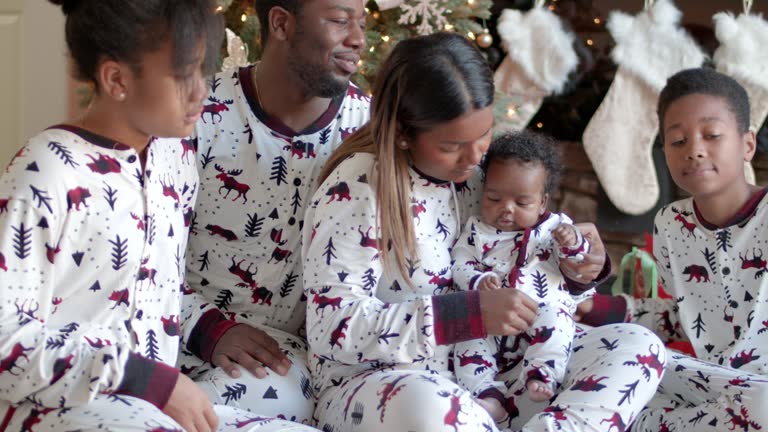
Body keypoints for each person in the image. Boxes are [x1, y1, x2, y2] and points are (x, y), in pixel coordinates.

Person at [302, 31, 665, 432]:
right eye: (453, 145)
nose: (476, 157)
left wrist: (581, 270)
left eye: (485, 134)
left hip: (495, 372)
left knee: (640, 347)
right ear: (405, 133)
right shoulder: (357, 190)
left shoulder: (481, 177)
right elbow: (332, 328)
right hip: (384, 383)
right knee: (438, 411)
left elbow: (530, 260)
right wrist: (466, 315)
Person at [0, 1, 318, 431]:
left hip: (149, 405)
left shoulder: (173, 159)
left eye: (202, 73)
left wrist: (184, 356)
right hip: (55, 410)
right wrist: (147, 379)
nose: (200, 92)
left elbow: (150, 287)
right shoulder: (48, 170)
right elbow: (6, 342)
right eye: (182, 75)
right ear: (116, 79)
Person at [179, 0, 370, 423]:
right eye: (340, 21)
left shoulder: (370, 132)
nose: (358, 39)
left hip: (299, 365)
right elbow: (143, 254)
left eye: (362, 22)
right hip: (185, 341)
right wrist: (207, 329)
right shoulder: (197, 114)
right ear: (281, 23)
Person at [577, 67, 768, 431]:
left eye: (711, 135)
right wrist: (589, 306)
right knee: (614, 358)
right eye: (677, 141)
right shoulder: (671, 223)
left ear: (747, 144)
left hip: (762, 392)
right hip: (705, 381)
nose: (694, 150)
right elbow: (680, 316)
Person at [452, 131, 594, 416]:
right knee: (465, 340)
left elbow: (579, 262)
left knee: (559, 321)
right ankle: (488, 395)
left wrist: (572, 242)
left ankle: (541, 376)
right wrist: (477, 280)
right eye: (493, 198)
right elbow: (459, 262)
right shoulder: (476, 230)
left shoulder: (555, 228)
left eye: (522, 203)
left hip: (540, 312)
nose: (506, 209)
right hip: (490, 317)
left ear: (542, 202)